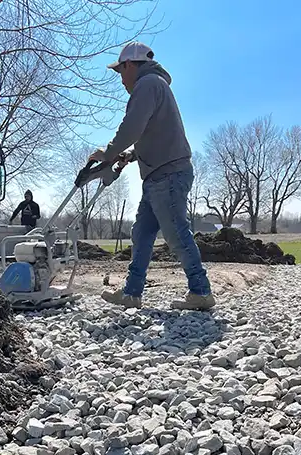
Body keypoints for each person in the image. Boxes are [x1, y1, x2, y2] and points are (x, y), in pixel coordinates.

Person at [89, 42, 214, 311]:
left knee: (176, 234)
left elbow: (132, 126)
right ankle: (132, 293)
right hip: (158, 175)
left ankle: (201, 291)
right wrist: (132, 155)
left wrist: (109, 153)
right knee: (142, 233)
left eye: (120, 71)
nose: (121, 79)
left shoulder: (147, 84)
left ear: (130, 65)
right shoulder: (157, 85)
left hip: (167, 175)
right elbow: (151, 132)